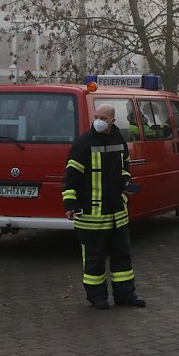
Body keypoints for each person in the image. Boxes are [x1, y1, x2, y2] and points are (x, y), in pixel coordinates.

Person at [62, 103, 146, 309]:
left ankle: (126, 295)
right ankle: (97, 298)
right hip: (91, 215)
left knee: (122, 258)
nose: (98, 120)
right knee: (94, 260)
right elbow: (71, 177)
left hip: (117, 213)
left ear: (112, 121)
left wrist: (126, 182)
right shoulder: (83, 144)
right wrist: (70, 204)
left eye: (103, 117)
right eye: (96, 116)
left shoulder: (119, 140)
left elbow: (124, 167)